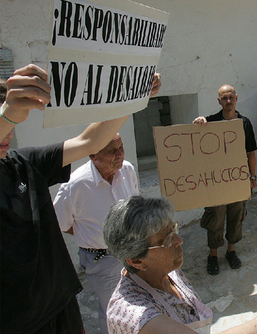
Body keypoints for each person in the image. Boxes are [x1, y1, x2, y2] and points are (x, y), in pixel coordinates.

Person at [0, 64, 160, 334]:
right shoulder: (78, 183)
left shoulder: (24, 162)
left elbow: (89, 141)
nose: (9, 133)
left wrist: (134, 96)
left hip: (60, 304)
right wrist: (8, 114)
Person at [104, 196, 257, 334]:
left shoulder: (169, 272)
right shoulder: (134, 315)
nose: (179, 240)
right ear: (137, 261)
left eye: (174, 230)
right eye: (167, 239)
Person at [53, 133, 139, 334]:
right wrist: (93, 235)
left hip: (132, 251)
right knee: (112, 309)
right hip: (102, 259)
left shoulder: (127, 170)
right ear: (92, 155)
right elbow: (60, 223)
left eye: (121, 147)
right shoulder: (75, 185)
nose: (119, 154)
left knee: (136, 302)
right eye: (111, 151)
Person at [192, 85, 257, 275]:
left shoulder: (245, 123)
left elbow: (250, 153)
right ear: (219, 101)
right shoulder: (210, 122)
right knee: (215, 218)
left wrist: (252, 177)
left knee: (237, 216)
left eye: (231, 97)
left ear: (236, 98)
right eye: (224, 98)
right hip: (216, 183)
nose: (228, 101)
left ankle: (231, 251)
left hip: (238, 180)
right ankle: (213, 255)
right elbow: (194, 143)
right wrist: (198, 123)